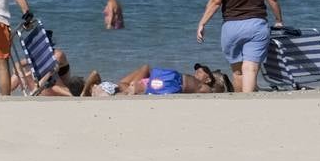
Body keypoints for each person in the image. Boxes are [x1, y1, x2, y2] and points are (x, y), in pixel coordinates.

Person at [87, 63, 233, 96]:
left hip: (167, 82)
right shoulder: (197, 84)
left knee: (143, 71)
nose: (198, 70)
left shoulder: (203, 87)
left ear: (208, 79)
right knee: (126, 84)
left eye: (203, 70)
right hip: (166, 82)